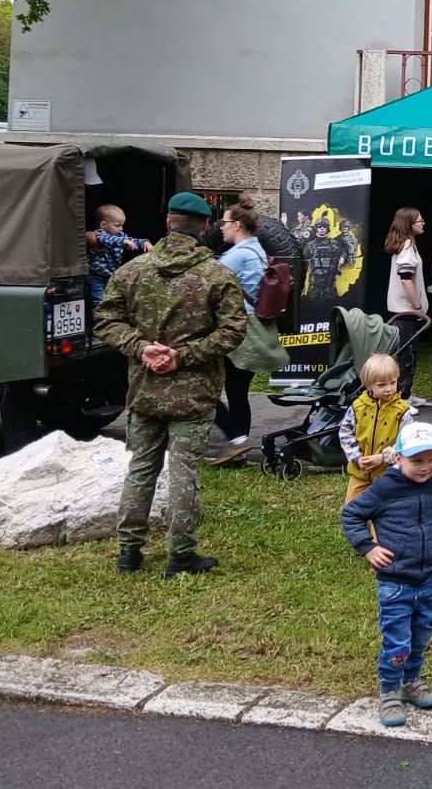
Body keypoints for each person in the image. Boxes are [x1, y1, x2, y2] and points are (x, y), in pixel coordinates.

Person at [95, 191, 246, 577]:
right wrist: (183, 356)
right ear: (205, 226)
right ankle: (181, 556)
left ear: (167, 223)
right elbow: (233, 331)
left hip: (144, 389)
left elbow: (106, 320)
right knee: (184, 472)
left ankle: (129, 552)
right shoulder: (217, 275)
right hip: (194, 393)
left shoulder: (132, 271)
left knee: (141, 468)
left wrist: (141, 348)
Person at [340, 421, 432, 728]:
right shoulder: (385, 487)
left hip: (428, 577)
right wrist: (368, 547)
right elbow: (352, 514)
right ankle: (390, 692)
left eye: (431, 459)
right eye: (416, 460)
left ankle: (411, 681)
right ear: (398, 458)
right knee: (398, 640)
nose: (425, 467)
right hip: (395, 581)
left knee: (420, 635)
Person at [209, 195, 288, 466]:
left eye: (225, 222)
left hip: (239, 329)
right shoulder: (257, 250)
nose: (221, 227)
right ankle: (238, 445)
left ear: (238, 225)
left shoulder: (238, 255)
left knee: (206, 387)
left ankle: (236, 441)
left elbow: (208, 282)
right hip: (254, 329)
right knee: (237, 391)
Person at [337, 352, 418, 502]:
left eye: (393, 382)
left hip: (390, 476)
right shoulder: (357, 407)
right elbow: (345, 433)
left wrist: (383, 458)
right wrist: (356, 458)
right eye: (381, 385)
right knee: (352, 510)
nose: (389, 389)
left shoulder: (402, 411)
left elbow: (408, 442)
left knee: (386, 513)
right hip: (360, 474)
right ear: (368, 385)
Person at [384, 208, 429, 402]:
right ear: (409, 225)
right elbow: (405, 279)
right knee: (406, 355)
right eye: (419, 221)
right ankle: (402, 398)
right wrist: (418, 306)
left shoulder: (404, 244)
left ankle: (405, 394)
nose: (423, 223)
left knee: (406, 353)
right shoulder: (408, 246)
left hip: (401, 309)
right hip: (405, 311)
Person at [87, 204, 152, 305]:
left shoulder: (120, 235)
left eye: (122, 225)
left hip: (111, 276)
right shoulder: (100, 234)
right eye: (117, 225)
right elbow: (107, 240)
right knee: (98, 301)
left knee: (113, 299)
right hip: (96, 277)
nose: (121, 228)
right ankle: (98, 315)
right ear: (103, 225)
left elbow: (131, 240)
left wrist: (144, 242)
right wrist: (123, 241)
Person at [304, 216, 350, 301]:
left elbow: (345, 253)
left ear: (327, 228)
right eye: (319, 227)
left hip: (329, 280)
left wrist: (342, 258)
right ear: (316, 229)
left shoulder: (334, 244)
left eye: (324, 226)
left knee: (331, 303)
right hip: (315, 280)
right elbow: (303, 258)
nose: (322, 229)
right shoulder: (310, 245)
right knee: (311, 302)